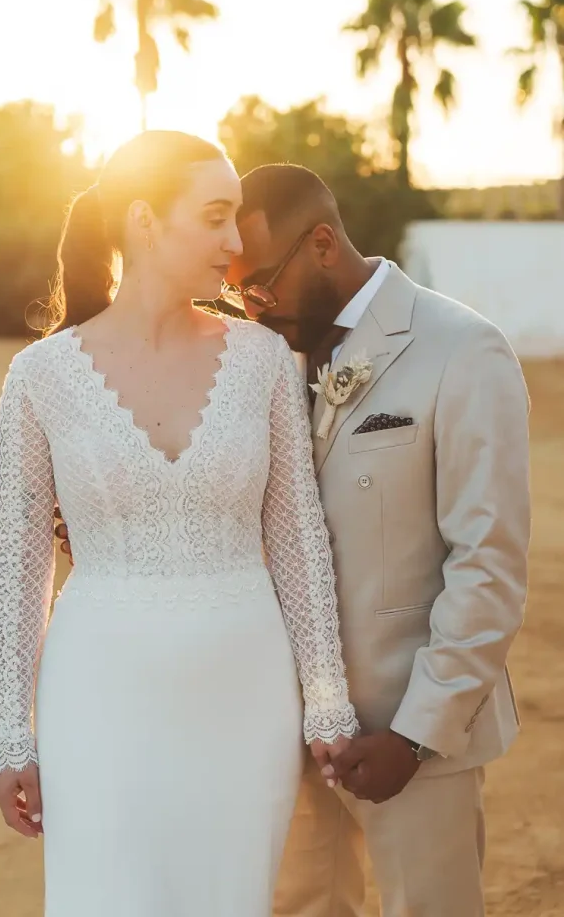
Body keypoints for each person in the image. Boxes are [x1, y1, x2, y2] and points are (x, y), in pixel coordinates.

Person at [0, 133, 357, 917]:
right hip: (96, 699)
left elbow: (297, 539)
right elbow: (16, 572)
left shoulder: (261, 361)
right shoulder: (40, 378)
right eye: (216, 216)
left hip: (244, 698)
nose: (235, 242)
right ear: (145, 220)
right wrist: (11, 737)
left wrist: (325, 700)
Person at [220, 163, 530, 917]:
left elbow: (486, 565)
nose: (252, 310)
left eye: (261, 284)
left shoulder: (461, 349)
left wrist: (415, 735)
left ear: (321, 243)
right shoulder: (258, 362)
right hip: (287, 737)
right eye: (236, 294)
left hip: (414, 741)